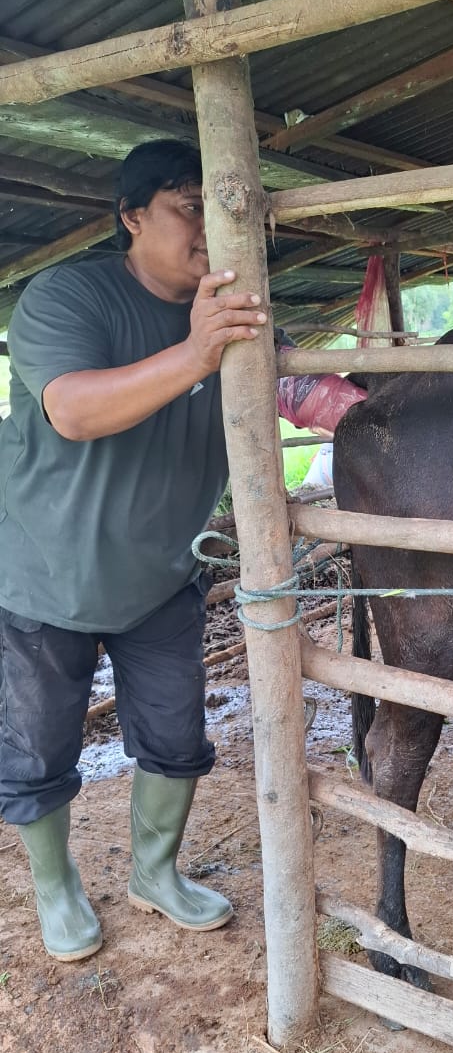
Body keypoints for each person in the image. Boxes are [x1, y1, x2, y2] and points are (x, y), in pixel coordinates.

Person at [0, 139, 267, 962]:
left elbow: (278, 388)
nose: (208, 229)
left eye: (224, 212)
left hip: (158, 579)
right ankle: (56, 888)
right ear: (132, 216)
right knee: (38, 749)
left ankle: (156, 873)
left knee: (176, 736)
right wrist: (195, 352)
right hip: (44, 576)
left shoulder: (233, 310)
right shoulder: (65, 297)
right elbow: (74, 412)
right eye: (191, 206)